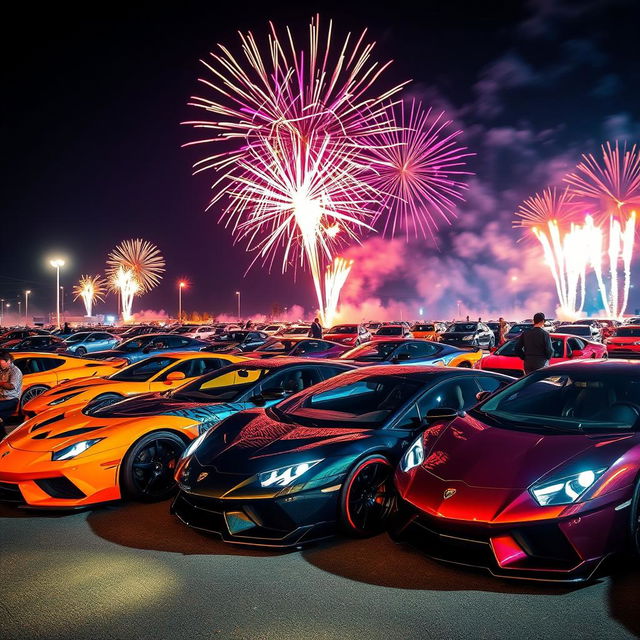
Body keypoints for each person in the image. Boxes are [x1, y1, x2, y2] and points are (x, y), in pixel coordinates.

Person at [0, 350, 23, 429]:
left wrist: (1, 383)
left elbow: (12, 386)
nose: (0, 365)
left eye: (1, 363)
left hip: (11, 399)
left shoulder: (15, 372)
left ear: (8, 361)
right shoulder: (2, 370)